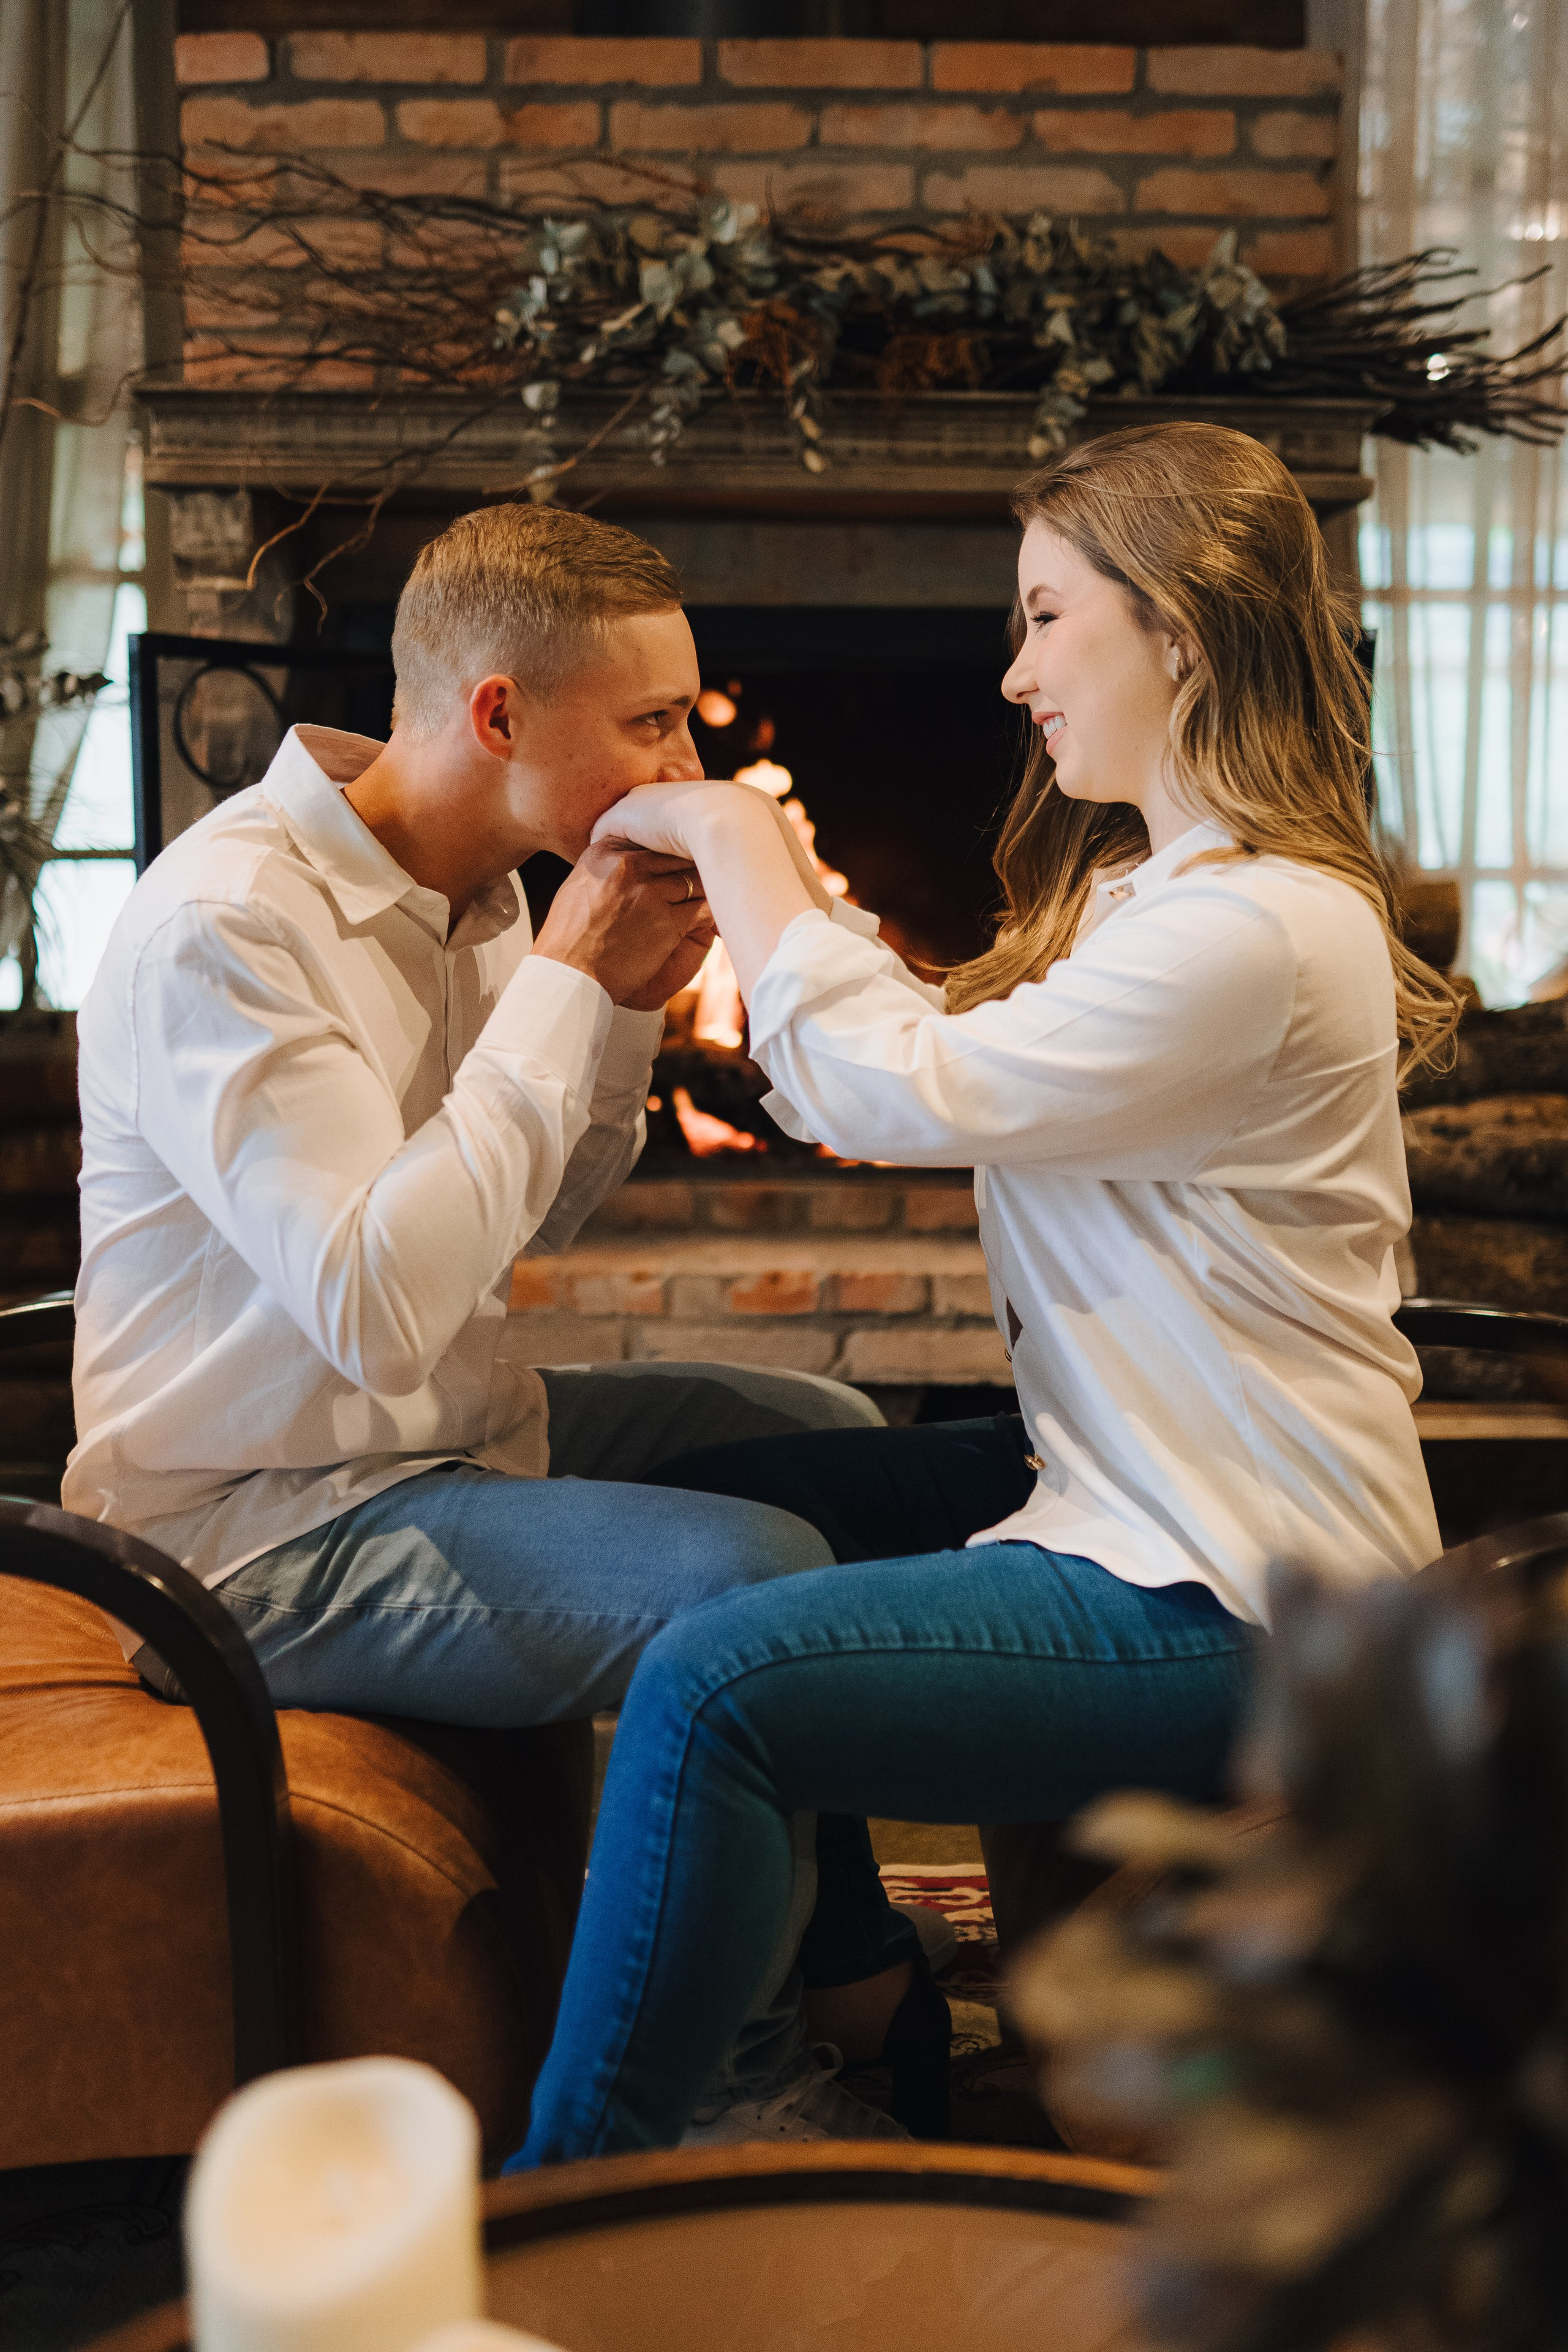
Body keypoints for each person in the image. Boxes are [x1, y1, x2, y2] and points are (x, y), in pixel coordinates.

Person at [509, 421, 1464, 2166]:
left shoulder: (1253, 931)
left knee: (715, 1689)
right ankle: (855, 1982)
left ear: (1178, 626)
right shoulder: (1152, 894)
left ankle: (583, 2189)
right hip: (1115, 1485)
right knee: (714, 1512)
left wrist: (732, 829)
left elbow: (903, 1096)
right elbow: (933, 1054)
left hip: (1242, 1588)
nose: (1015, 673)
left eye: (1042, 617)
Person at [67, 501, 927, 2137]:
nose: (697, 760)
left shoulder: (476, 897)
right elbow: (381, 1312)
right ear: (499, 716)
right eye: (654, 724)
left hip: (445, 1444)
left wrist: (606, 1008)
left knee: (825, 1435)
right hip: (261, 1524)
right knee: (753, 1581)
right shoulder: (231, 926)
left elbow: (517, 1225)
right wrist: (567, 987)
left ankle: (835, 1949)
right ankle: (734, 2109)